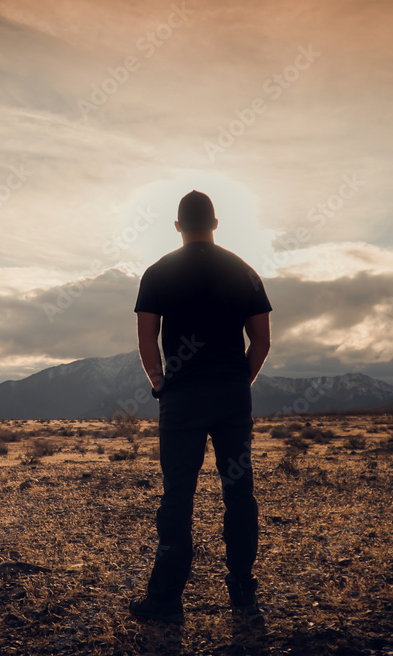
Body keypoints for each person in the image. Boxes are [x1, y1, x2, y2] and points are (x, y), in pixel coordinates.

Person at [128, 190, 272, 626]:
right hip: (231, 397)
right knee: (239, 494)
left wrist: (160, 385)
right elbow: (261, 341)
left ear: (177, 227)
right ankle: (243, 592)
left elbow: (146, 339)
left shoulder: (157, 273)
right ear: (215, 222)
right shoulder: (244, 270)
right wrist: (237, 384)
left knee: (178, 498)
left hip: (182, 400)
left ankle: (167, 598)